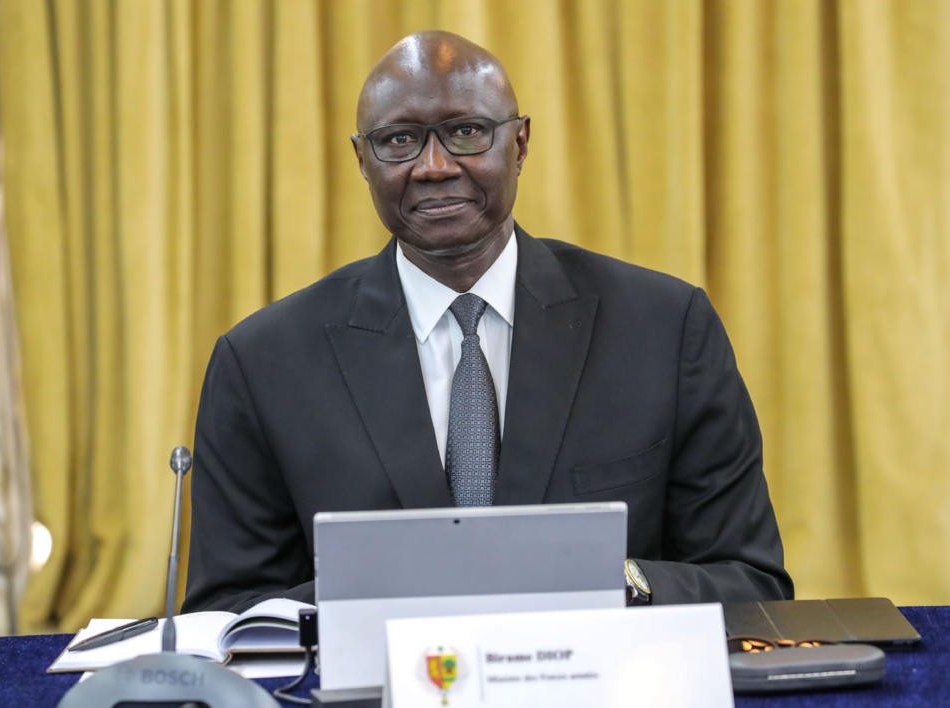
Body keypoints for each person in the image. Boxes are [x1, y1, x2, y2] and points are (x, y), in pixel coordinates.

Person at [183, 30, 793, 614]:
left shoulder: (664, 329)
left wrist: (615, 578)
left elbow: (750, 583)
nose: (434, 166)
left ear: (521, 143)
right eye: (398, 140)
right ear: (361, 161)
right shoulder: (263, 363)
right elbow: (230, 612)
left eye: (467, 132)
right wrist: (386, 596)